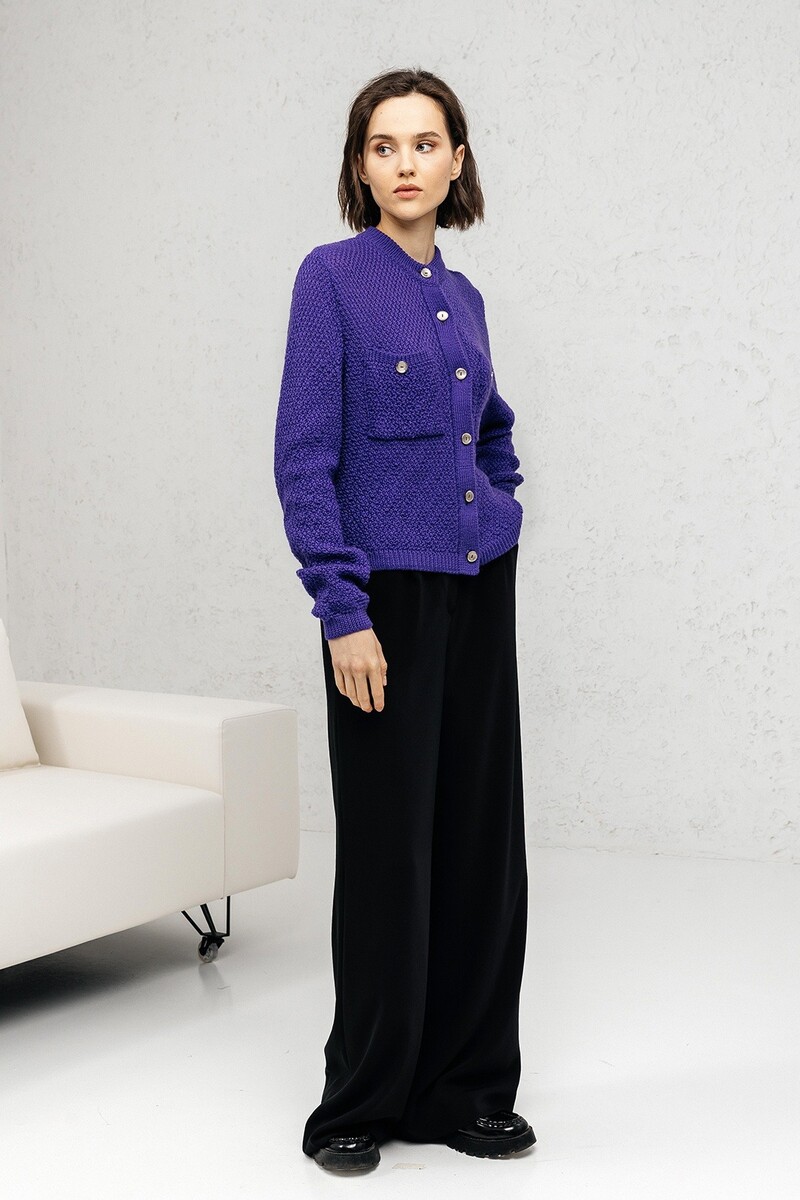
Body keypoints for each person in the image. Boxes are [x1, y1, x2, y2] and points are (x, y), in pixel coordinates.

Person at [273, 66, 535, 1174]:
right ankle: (363, 1097)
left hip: (478, 585)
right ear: (360, 166)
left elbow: (490, 427)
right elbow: (303, 457)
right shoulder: (331, 279)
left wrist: (500, 500)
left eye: (425, 144)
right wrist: (343, 609)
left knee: (480, 843)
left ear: (456, 160)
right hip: (385, 597)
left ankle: (465, 1088)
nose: (406, 163)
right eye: (384, 146)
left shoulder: (463, 297)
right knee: (389, 849)